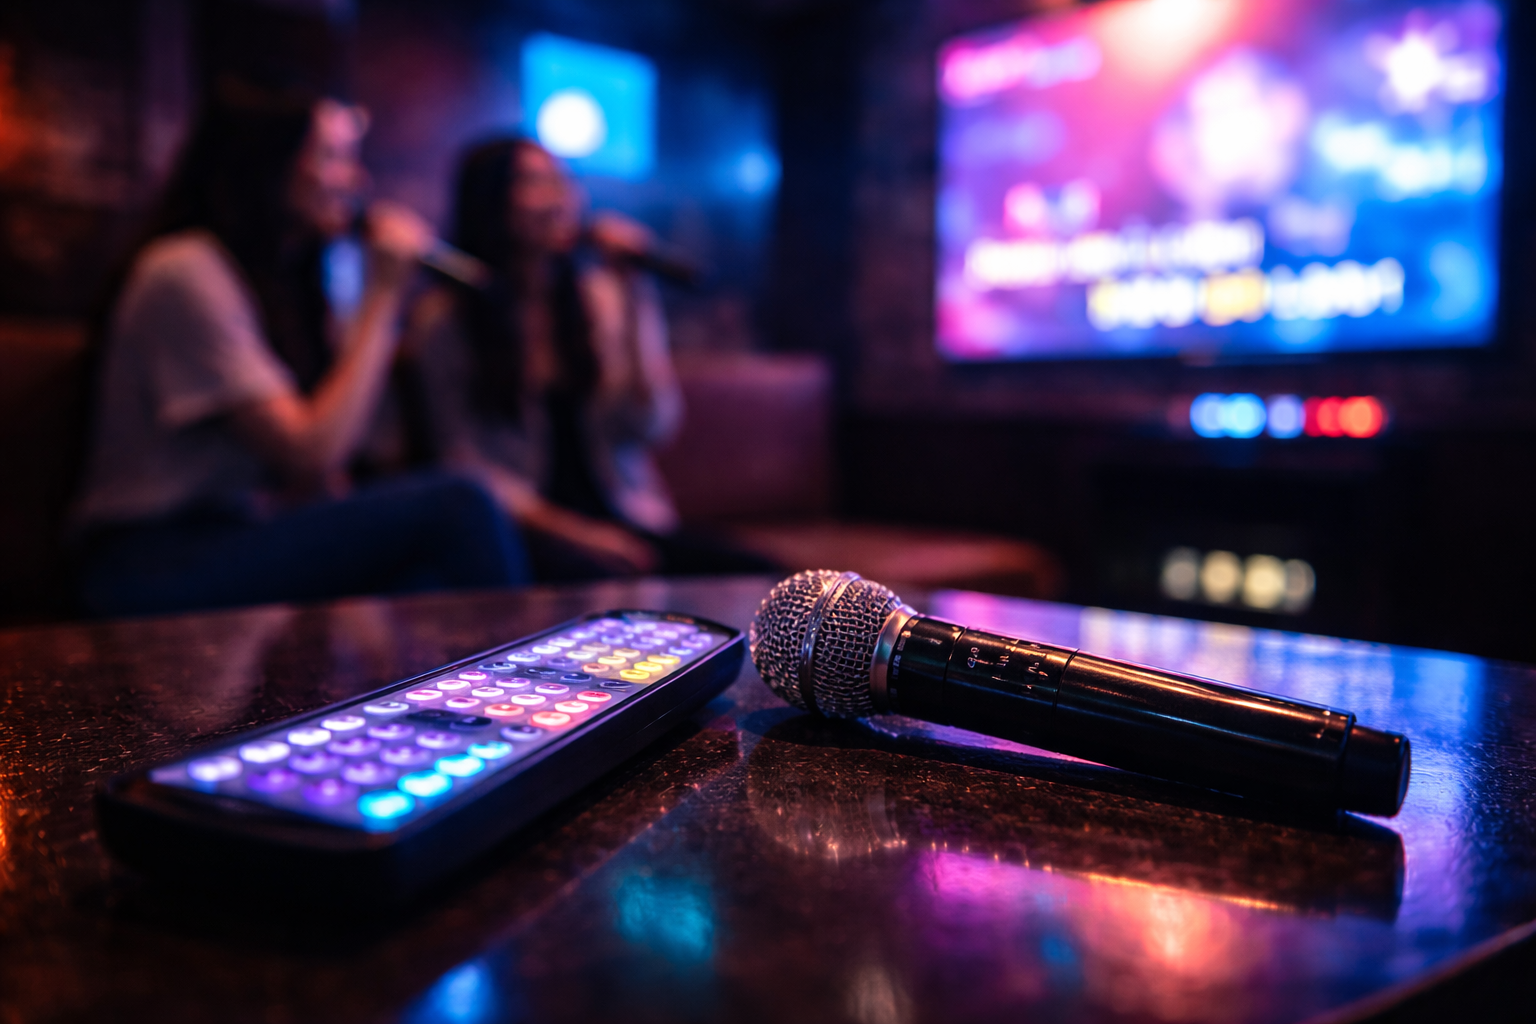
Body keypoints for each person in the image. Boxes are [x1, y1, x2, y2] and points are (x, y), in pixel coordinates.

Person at [70, 84, 529, 616]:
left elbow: (351, 455)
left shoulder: (288, 282)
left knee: (421, 575)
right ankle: (533, 686)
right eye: (332, 158)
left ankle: (451, 696)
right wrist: (384, 294)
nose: (356, 180)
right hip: (151, 558)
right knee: (459, 503)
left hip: (239, 528)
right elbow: (311, 450)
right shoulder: (184, 270)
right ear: (264, 165)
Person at [406, 137, 772, 580]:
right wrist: (577, 535)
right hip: (519, 540)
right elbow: (464, 466)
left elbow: (650, 425)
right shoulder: (446, 320)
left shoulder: (597, 300)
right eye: (534, 182)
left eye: (562, 181)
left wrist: (636, 293)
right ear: (490, 202)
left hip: (624, 518)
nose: (560, 196)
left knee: (764, 578)